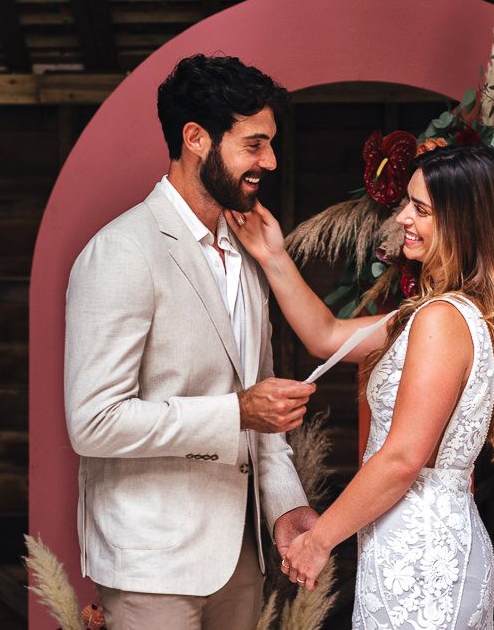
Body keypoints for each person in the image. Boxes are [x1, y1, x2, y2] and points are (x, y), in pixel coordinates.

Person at [227, 143, 494, 628]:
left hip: (421, 560)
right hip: (412, 546)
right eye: (406, 204)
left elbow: (402, 458)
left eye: (421, 209)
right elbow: (327, 336)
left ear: (462, 223)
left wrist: (318, 541)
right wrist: (272, 254)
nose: (402, 218)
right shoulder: (440, 312)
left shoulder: (441, 319)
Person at [63, 54, 317, 629]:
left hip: (241, 561)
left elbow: (262, 410)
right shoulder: (122, 251)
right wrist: (236, 412)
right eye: (254, 145)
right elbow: (93, 422)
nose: (270, 162)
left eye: (271, 144)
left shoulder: (248, 254)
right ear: (196, 138)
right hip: (150, 564)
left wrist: (286, 507)